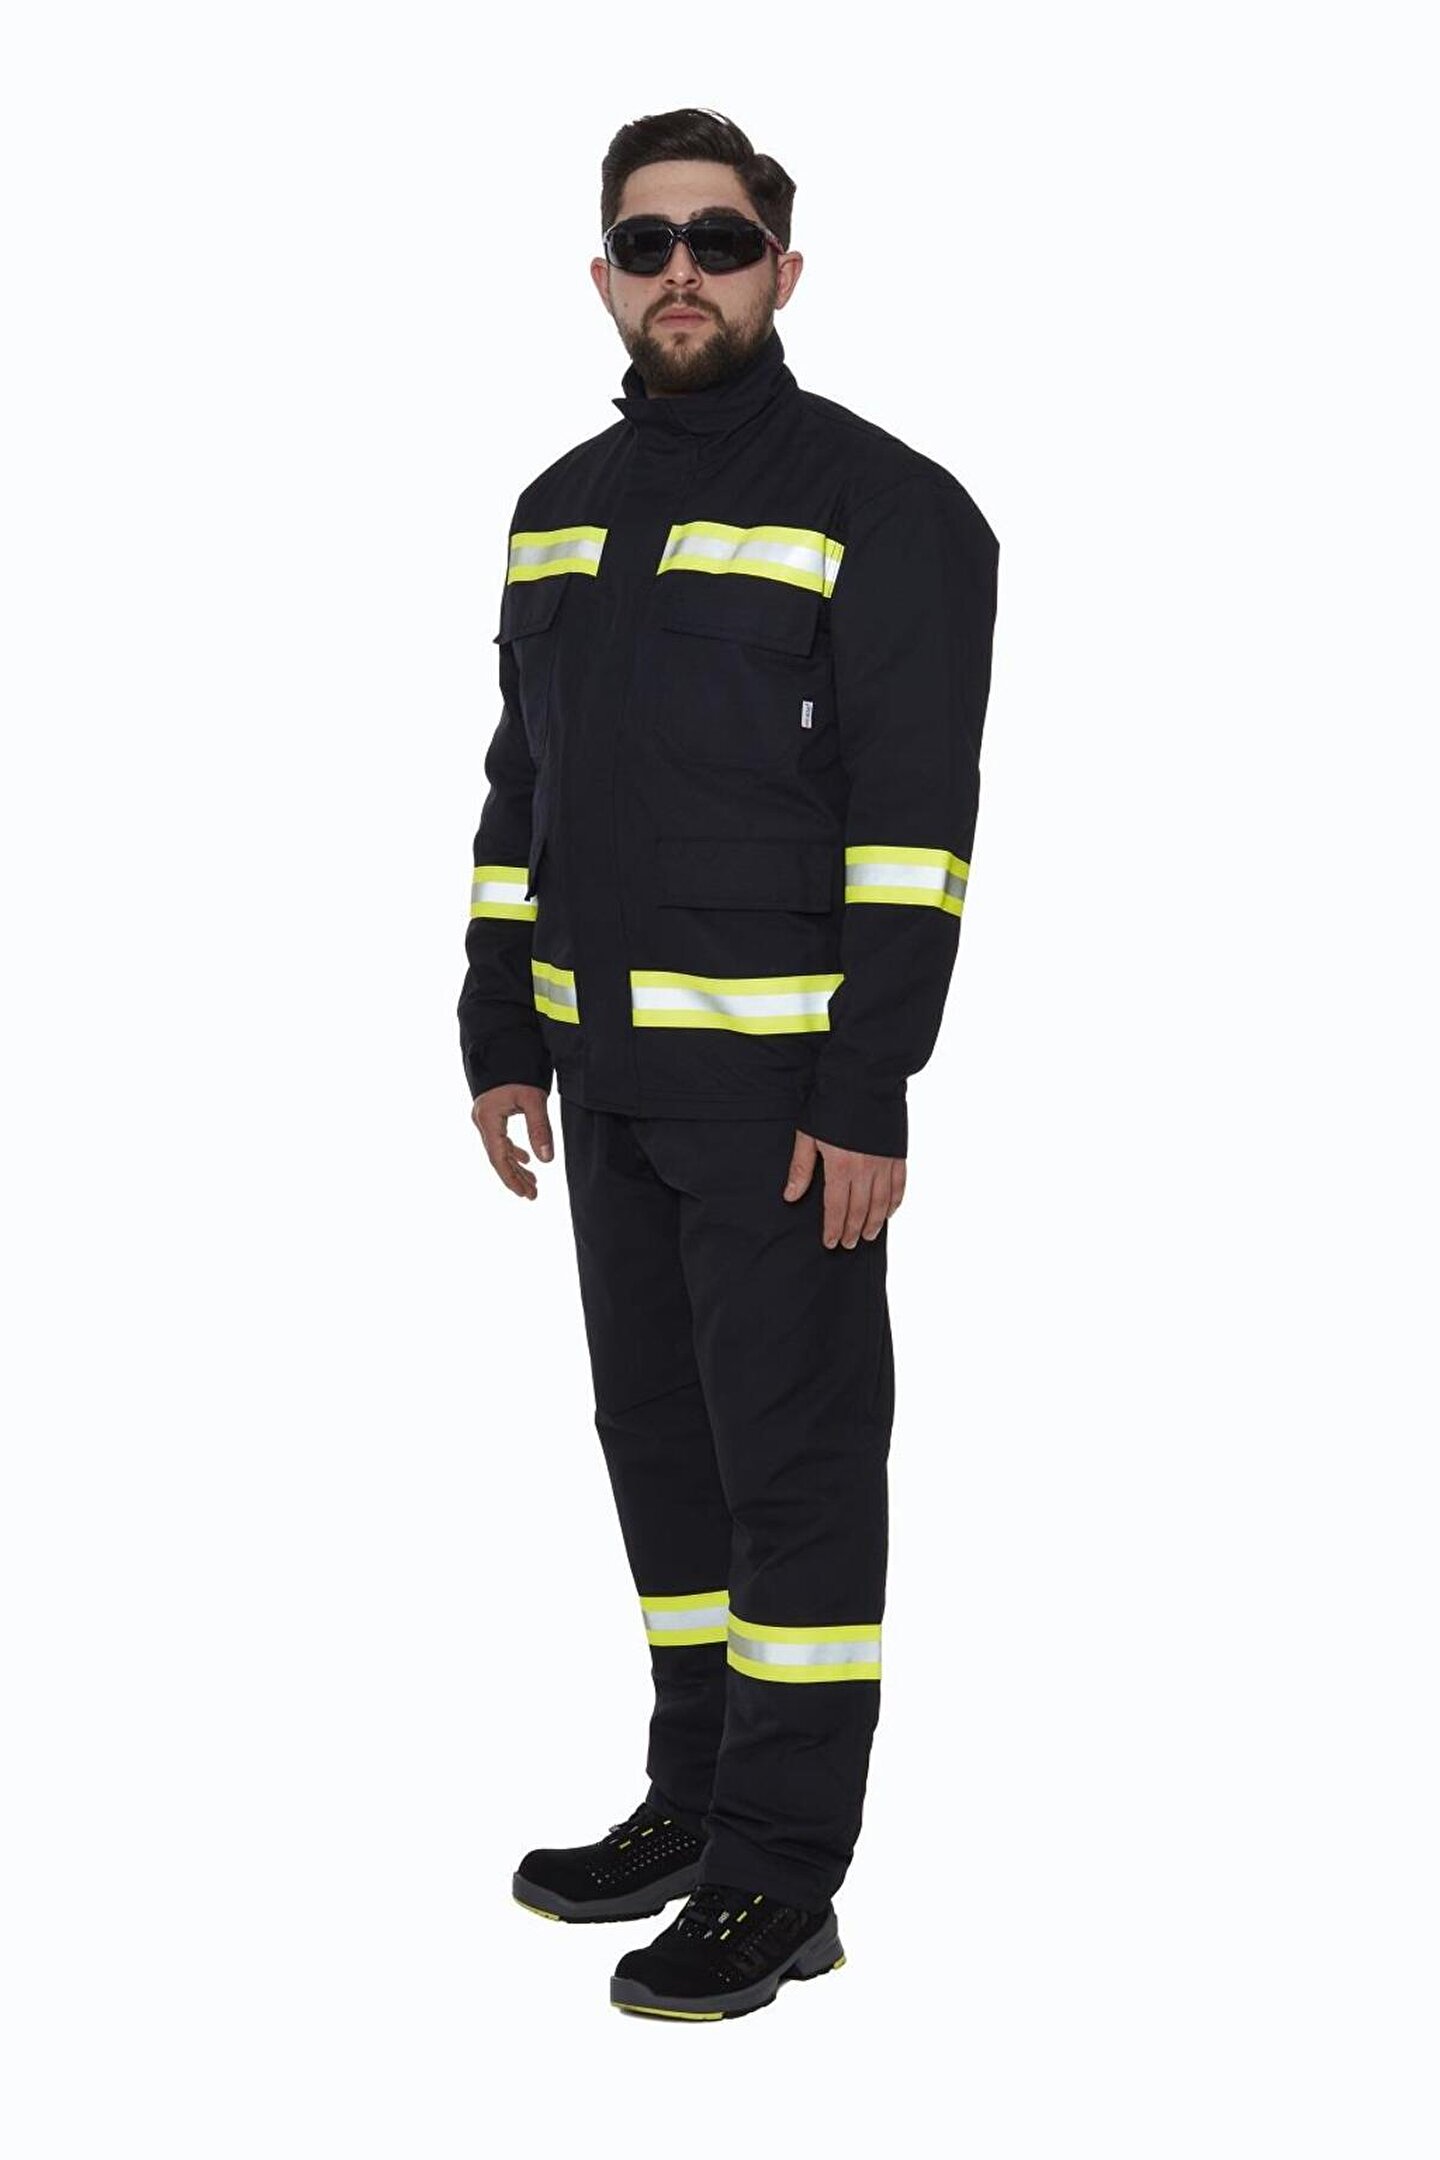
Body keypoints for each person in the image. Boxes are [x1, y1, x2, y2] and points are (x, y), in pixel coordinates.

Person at [458, 107, 999, 2022]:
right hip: (607, 1096)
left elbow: (915, 837)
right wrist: (500, 1028)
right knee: (665, 1460)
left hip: (784, 1114)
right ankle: (695, 1801)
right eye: (646, 241)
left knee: (796, 1481)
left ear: (784, 267)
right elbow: (523, 795)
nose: (680, 269)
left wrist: (868, 1091)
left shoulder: (889, 508)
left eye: (718, 238)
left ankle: (783, 1875)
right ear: (605, 276)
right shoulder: (556, 505)